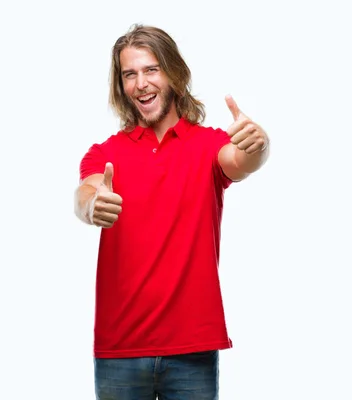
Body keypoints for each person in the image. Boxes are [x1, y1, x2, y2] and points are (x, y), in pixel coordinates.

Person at [74, 24, 270, 400]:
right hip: (120, 350)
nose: (140, 83)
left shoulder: (211, 144)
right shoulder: (105, 152)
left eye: (151, 70)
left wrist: (258, 145)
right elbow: (87, 191)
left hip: (193, 347)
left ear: (173, 74)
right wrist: (92, 204)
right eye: (129, 74)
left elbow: (241, 160)